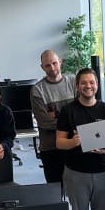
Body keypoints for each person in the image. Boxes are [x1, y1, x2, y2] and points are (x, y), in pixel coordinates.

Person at [55, 68, 105, 210]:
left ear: (97, 85)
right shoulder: (68, 111)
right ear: (77, 86)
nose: (88, 86)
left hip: (104, 172)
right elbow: (59, 142)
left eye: (92, 82)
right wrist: (73, 142)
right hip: (77, 173)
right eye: (83, 83)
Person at [30, 50, 76, 186]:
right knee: (55, 190)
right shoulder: (37, 90)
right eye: (47, 65)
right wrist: (70, 119)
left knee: (77, 189)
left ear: (60, 62)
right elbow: (44, 122)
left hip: (75, 145)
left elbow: (81, 113)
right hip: (51, 147)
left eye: (54, 63)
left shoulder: (73, 82)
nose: (52, 68)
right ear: (42, 67)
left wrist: (55, 114)